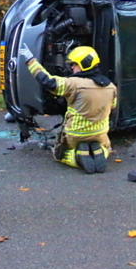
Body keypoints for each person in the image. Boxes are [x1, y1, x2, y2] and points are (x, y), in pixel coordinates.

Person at [18, 44, 117, 174]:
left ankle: (77, 157)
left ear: (85, 64)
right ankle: (101, 151)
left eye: (75, 64)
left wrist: (30, 60)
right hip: (100, 133)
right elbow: (112, 107)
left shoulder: (73, 83)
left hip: (76, 134)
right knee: (106, 147)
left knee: (59, 154)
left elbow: (48, 81)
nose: (72, 67)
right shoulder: (111, 87)